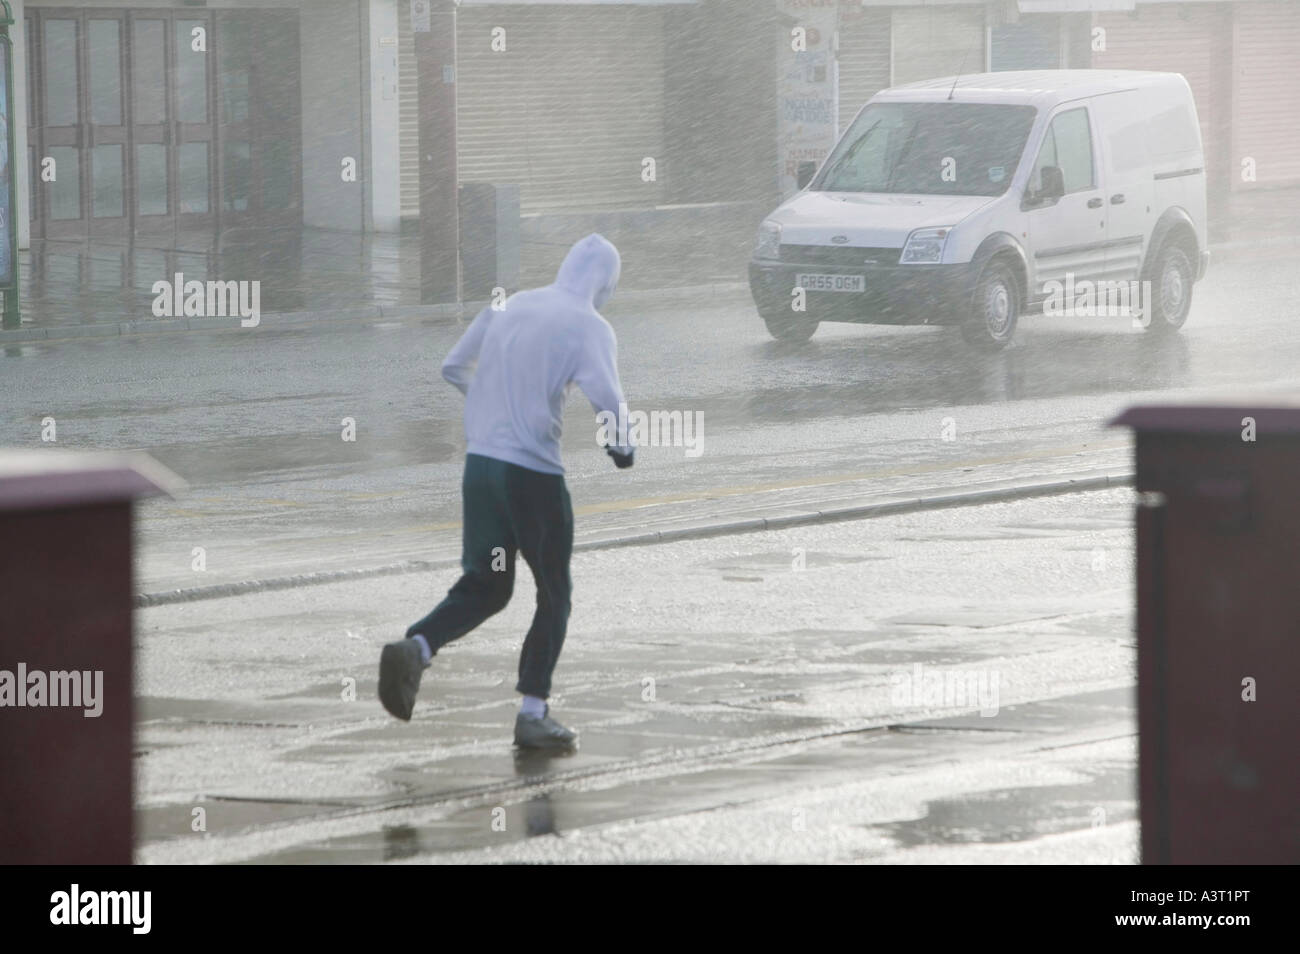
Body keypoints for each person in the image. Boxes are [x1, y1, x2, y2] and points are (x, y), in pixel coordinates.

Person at [379, 234, 634, 749]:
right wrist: (622, 448)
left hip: (481, 472)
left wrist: (489, 408)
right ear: (605, 283)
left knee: (489, 583)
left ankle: (418, 647)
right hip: (532, 480)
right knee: (553, 593)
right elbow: (610, 402)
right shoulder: (591, 327)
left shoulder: (509, 304)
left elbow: (452, 366)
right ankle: (533, 713)